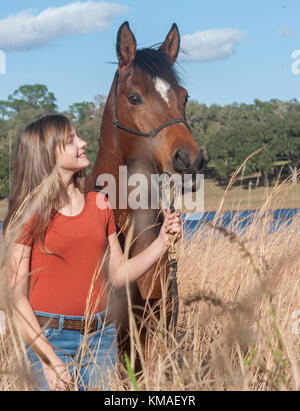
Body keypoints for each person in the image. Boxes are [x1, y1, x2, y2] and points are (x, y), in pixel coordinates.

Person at [4, 114, 182, 391]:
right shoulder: (29, 215)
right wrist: (50, 361)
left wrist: (161, 242)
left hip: (101, 337)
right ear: (47, 153)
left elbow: (119, 273)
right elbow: (15, 298)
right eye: (71, 139)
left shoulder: (99, 203)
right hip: (50, 338)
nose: (83, 142)